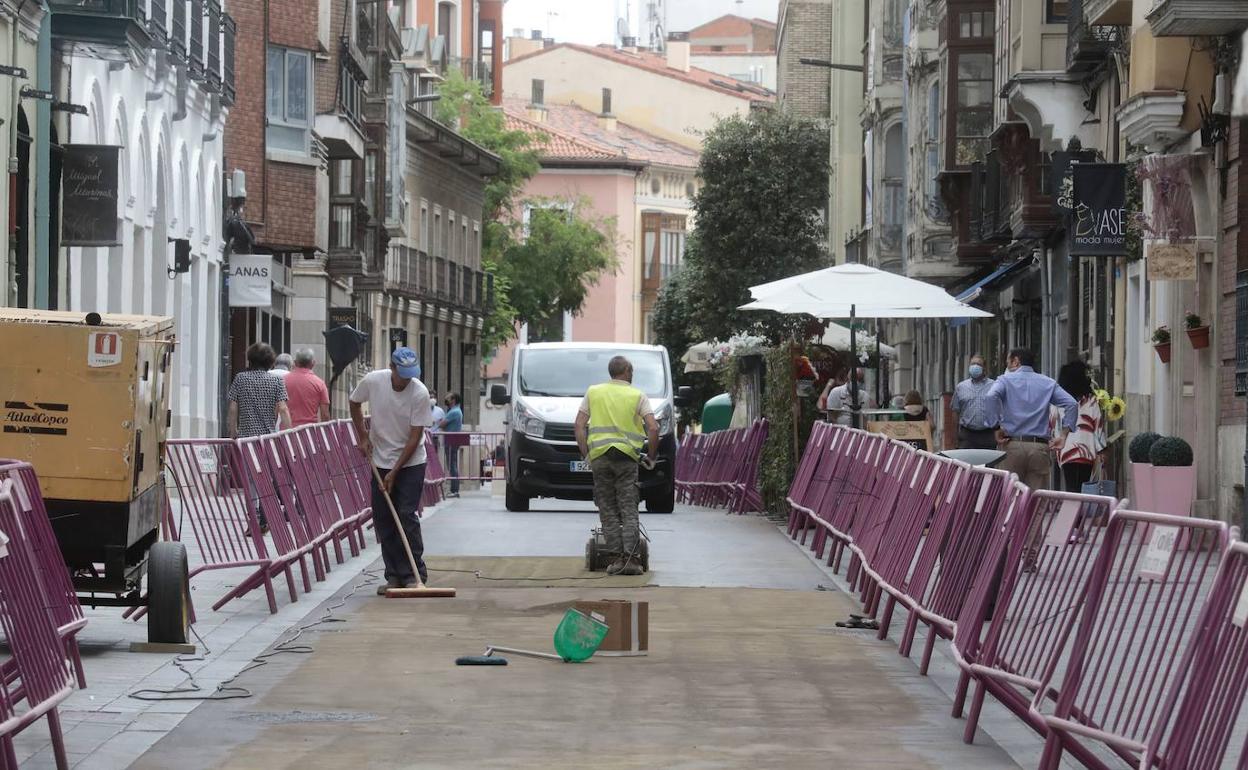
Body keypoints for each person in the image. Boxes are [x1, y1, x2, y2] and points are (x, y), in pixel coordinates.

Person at [349, 348, 434, 595]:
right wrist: (362, 435)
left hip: (411, 461)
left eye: (410, 375)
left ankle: (414, 574)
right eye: (402, 374)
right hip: (380, 457)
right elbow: (354, 402)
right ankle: (394, 575)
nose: (406, 380)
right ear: (392, 368)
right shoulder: (374, 380)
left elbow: (415, 436)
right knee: (384, 517)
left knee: (406, 514)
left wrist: (395, 471)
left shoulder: (419, 393)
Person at [574, 356, 660, 576]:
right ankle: (631, 561)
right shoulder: (637, 395)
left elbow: (579, 425)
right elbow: (653, 428)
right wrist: (650, 456)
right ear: (628, 371)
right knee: (628, 507)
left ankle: (614, 559)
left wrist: (587, 455)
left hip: (600, 457)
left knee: (608, 508)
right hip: (627, 459)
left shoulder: (593, 392)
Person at [987, 348, 1078, 490]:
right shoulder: (1048, 383)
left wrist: (996, 427)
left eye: (1008, 362)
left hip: (1012, 445)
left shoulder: (1004, 381)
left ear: (1016, 361)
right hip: (1039, 448)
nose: (1007, 366)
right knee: (1035, 501)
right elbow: (1072, 404)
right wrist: (1064, 434)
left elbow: (991, 396)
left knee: (1010, 497)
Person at [1050, 361, 1106, 493]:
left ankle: (1073, 511)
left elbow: (1053, 423)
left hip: (1066, 450)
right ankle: (1082, 512)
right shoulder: (1091, 400)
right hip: (1087, 451)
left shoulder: (1057, 400)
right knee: (1085, 487)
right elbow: (1098, 426)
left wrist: (1053, 442)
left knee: (1071, 487)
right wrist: (1102, 449)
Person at [227, 342, 292, 439]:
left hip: (245, 437)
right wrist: (289, 434)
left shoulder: (240, 378)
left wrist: (233, 431)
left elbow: (233, 408)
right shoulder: (277, 381)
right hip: (267, 437)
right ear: (270, 361)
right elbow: (283, 409)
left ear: (250, 360)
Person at [951, 354, 998, 449]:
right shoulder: (961, 387)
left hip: (988, 434)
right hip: (967, 435)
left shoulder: (994, 385)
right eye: (973, 364)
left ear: (984, 368)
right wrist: (955, 436)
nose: (975, 366)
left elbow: (1000, 408)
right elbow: (955, 411)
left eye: (978, 364)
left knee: (988, 463)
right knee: (965, 462)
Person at [284, 348, 331, 427]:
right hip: (309, 433)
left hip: (287, 432)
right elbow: (325, 414)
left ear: (295, 363)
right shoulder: (320, 384)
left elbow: (276, 408)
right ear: (313, 363)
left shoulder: (283, 381)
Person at [438, 392, 465, 497]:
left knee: (452, 465)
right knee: (452, 464)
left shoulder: (454, 412)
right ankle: (454, 489)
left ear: (453, 400)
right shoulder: (456, 411)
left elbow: (442, 424)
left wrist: (440, 422)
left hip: (451, 440)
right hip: (452, 440)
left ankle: (454, 490)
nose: (446, 400)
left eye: (448, 398)